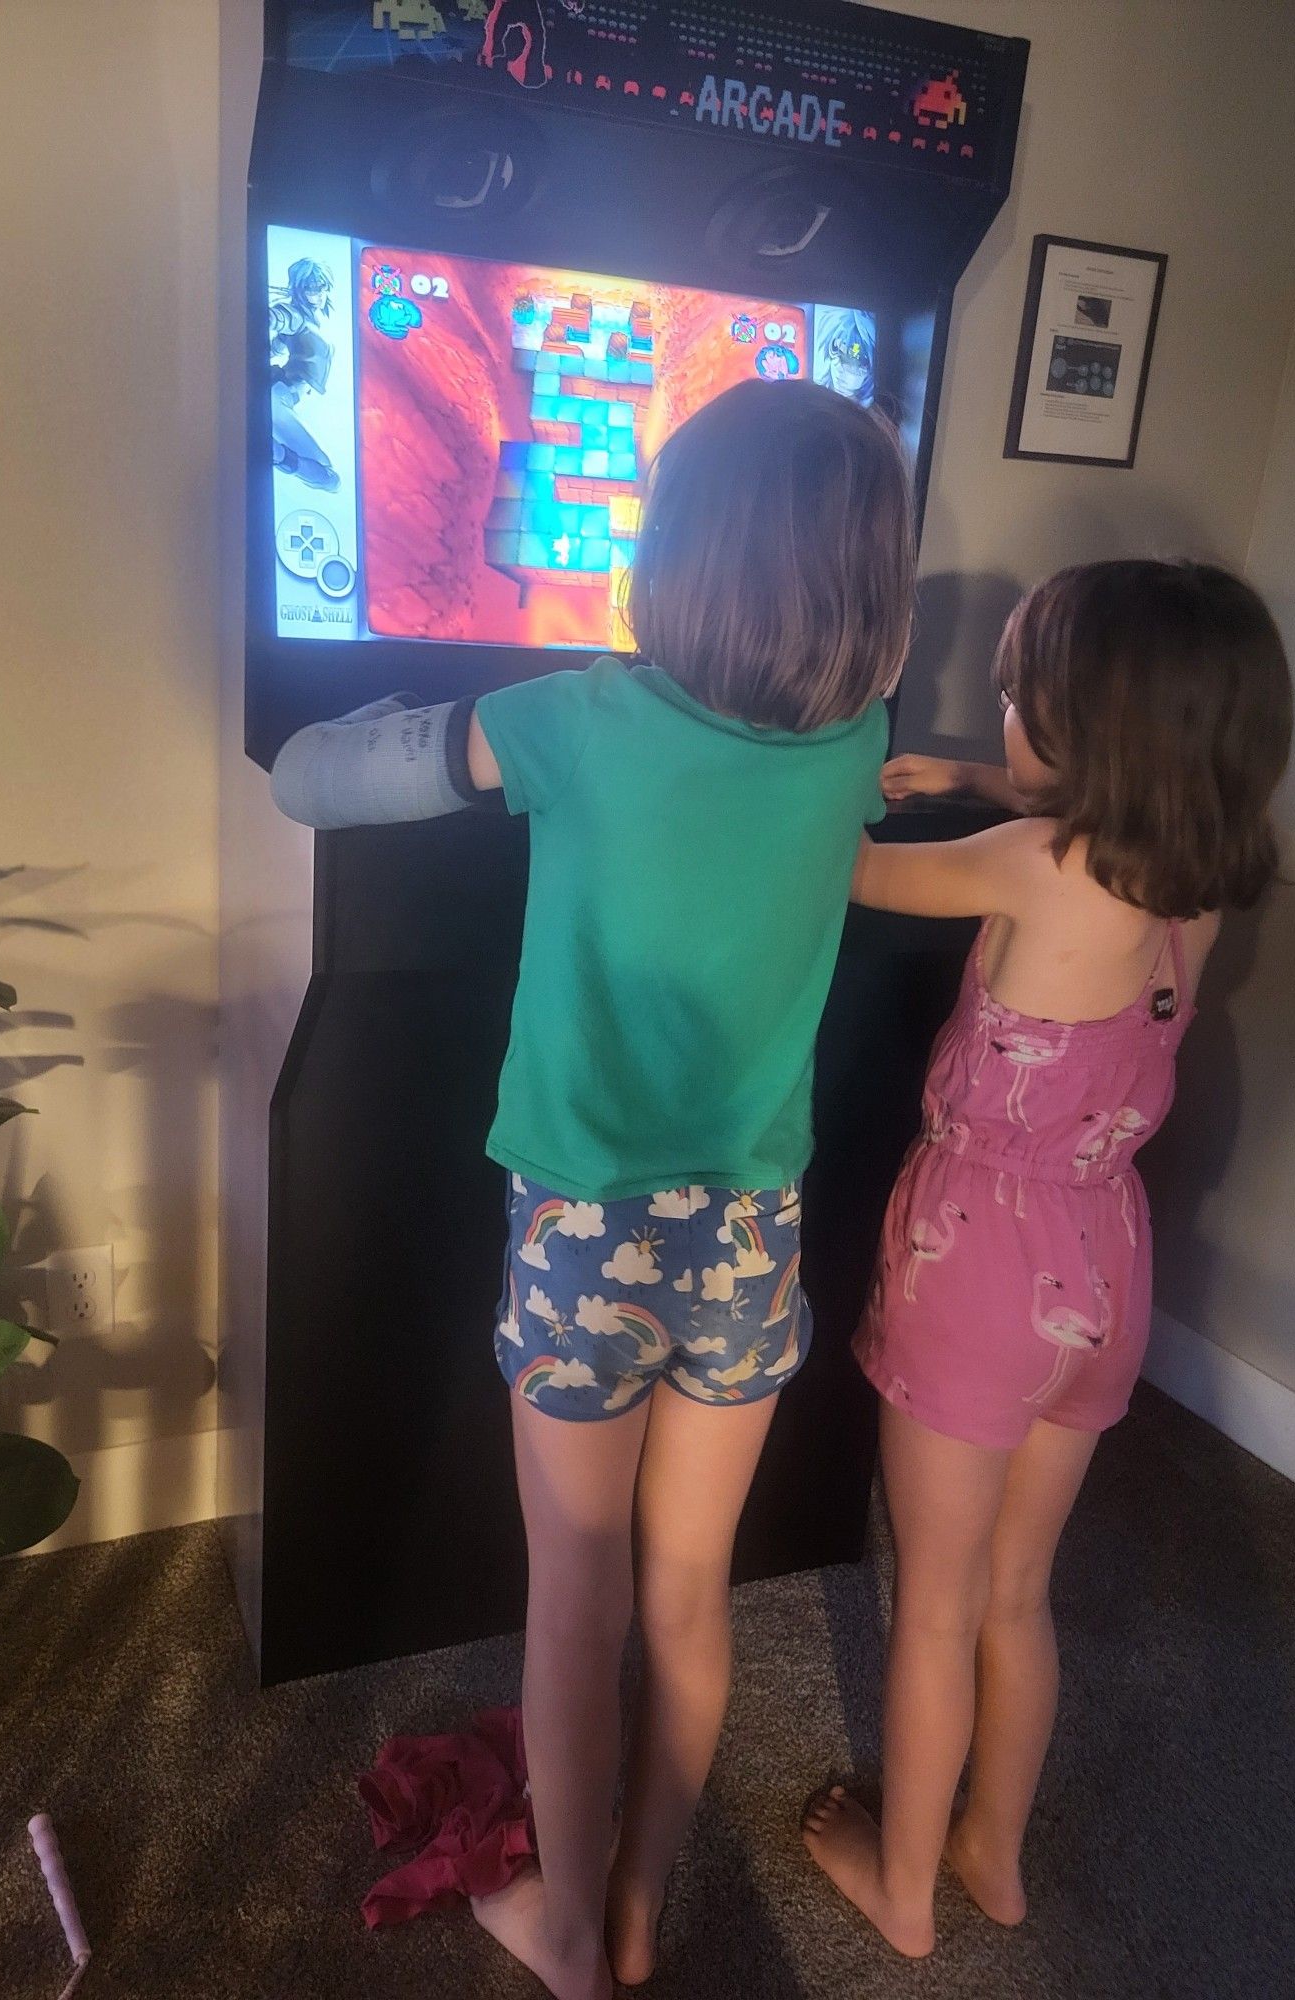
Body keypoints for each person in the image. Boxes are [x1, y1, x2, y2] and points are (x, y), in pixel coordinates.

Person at [269, 379, 917, 1998]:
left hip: (586, 1241)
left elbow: (316, 782)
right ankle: (636, 1899)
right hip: (749, 1246)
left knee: (576, 1599)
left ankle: (563, 1935)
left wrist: (343, 727)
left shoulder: (572, 718)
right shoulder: (858, 742)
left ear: (672, 557)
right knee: (689, 1598)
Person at [803, 559, 1293, 1957]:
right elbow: (1069, 810)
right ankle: (993, 1861)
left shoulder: (1026, 863)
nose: (1004, 709)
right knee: (1020, 1595)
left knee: (937, 1606)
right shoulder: (1198, 879)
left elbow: (843, 869)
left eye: (1021, 696)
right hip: (1104, 1257)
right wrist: (973, 762)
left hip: (976, 1266)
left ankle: (899, 1893)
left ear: (1087, 732)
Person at [270, 256, 340, 492]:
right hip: (280, 395)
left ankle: (277, 454)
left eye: (322, 288)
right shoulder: (296, 316)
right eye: (312, 288)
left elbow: (275, 347)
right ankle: (276, 454)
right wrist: (269, 316)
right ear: (300, 290)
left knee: (328, 478)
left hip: (287, 397)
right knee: (329, 479)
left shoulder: (315, 320)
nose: (319, 294)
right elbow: (281, 318)